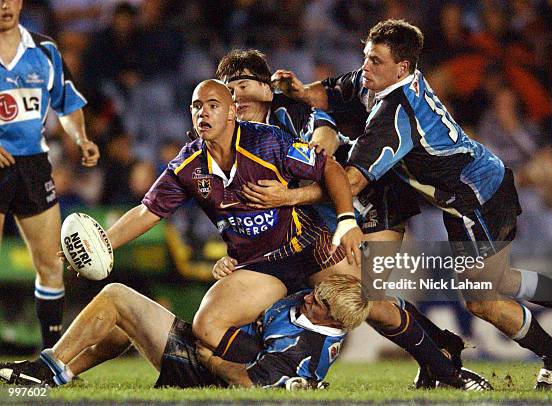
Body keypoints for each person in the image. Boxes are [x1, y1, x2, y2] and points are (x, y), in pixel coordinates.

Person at [61, 79, 491, 391]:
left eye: (221, 100)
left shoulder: (275, 135)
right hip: (260, 264)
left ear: (239, 103)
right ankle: (274, 377)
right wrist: (103, 245)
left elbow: (330, 163)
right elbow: (147, 210)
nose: (205, 111)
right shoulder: (190, 164)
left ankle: (447, 367)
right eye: (197, 105)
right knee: (207, 326)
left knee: (372, 297)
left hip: (307, 247)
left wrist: (343, 219)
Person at [271, 19, 552, 390]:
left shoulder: (397, 114)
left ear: (403, 67)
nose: (366, 67)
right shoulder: (380, 80)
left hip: (477, 198)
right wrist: (301, 90)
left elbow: (350, 182)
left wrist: (288, 197)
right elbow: (335, 91)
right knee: (500, 281)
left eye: (376, 61)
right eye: (366, 58)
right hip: (470, 192)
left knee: (483, 301)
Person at [214, 49, 478, 389]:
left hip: (369, 200)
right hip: (322, 219)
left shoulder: (291, 111)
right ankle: (441, 349)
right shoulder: (232, 140)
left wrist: (307, 158)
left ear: (264, 87)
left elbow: (326, 138)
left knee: (364, 297)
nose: (236, 96)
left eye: (243, 85)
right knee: (366, 299)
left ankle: (446, 369)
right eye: (228, 89)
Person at [0, 274, 370, 388]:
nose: (307, 298)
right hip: (201, 352)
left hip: (198, 367)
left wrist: (210, 362)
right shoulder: (311, 310)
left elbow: (247, 383)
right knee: (124, 320)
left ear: (333, 321)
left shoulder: (302, 349)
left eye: (318, 302)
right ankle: (62, 375)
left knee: (116, 298)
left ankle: (46, 367)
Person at [0, 0, 100, 348]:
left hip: (32, 167)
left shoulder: (44, 50)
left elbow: (67, 102)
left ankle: (49, 355)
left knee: (51, 265)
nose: (4, 6)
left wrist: (81, 138)